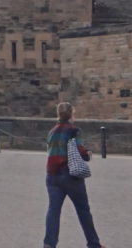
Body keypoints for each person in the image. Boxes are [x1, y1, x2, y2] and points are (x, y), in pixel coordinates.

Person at [43, 102, 105, 248]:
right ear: (71, 114)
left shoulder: (52, 131)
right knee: (83, 210)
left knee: (53, 210)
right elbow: (79, 151)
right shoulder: (73, 130)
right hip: (70, 174)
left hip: (52, 174)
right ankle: (94, 243)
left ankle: (49, 244)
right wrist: (88, 154)